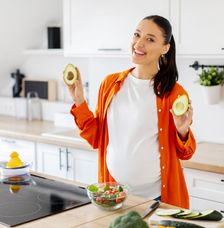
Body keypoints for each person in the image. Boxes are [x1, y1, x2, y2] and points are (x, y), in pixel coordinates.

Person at [67, 15, 196, 208]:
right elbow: (96, 138)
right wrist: (79, 101)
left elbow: (185, 153)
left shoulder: (174, 93)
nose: (139, 43)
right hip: (114, 196)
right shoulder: (110, 84)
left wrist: (182, 130)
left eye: (150, 39)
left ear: (165, 48)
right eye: (137, 35)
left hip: (157, 199)